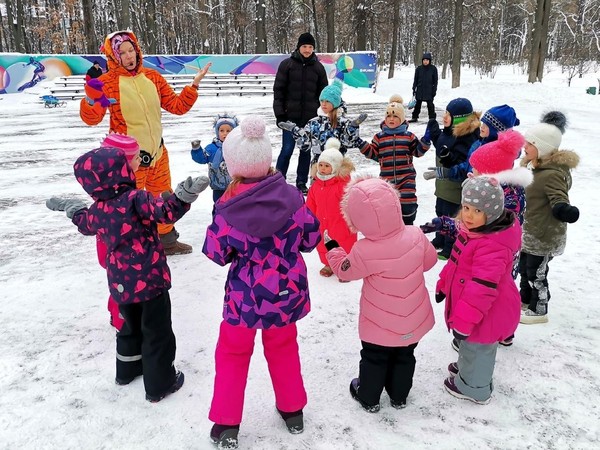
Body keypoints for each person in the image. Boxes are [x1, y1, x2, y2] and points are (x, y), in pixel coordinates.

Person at [46, 146, 210, 402]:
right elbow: (165, 212)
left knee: (129, 328)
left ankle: (127, 371)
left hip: (121, 283)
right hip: (150, 281)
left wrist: (73, 209)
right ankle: (160, 385)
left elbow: (85, 223)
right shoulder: (136, 198)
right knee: (157, 333)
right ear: (119, 172)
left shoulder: (98, 209)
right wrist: (183, 196)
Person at [202, 116, 321, 449]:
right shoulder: (294, 200)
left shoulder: (226, 211)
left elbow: (216, 252)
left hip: (244, 301)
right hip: (285, 295)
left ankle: (226, 424)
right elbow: (311, 239)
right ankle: (293, 410)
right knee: (284, 349)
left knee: (232, 354)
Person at [80, 30, 211, 255]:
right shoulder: (107, 83)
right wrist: (91, 98)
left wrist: (194, 85)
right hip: (128, 161)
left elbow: (177, 106)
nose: (129, 56)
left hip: (157, 154)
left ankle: (167, 241)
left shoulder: (153, 77)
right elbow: (91, 119)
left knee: (163, 196)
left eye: (131, 50)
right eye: (122, 52)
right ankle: (136, 248)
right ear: (113, 56)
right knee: (130, 207)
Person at [324, 177, 437, 412]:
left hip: (379, 324)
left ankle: (369, 397)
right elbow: (430, 261)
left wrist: (333, 249)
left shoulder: (365, 250)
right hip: (413, 318)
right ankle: (399, 396)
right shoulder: (415, 235)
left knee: (374, 358)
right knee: (405, 356)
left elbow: (346, 271)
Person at [421, 129, 532, 349]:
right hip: (496, 256)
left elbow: (479, 234)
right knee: (495, 294)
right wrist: (447, 224)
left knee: (488, 295)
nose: (470, 172)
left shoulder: (501, 200)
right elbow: (472, 229)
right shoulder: (494, 194)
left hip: (492, 257)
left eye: (476, 169)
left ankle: (482, 337)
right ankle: (500, 331)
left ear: (491, 175)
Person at [435, 176, 521, 405]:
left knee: (479, 347)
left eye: (477, 210)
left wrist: (463, 322)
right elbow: (456, 263)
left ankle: (475, 387)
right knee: (469, 343)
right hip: (474, 307)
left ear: (491, 214)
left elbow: (481, 289)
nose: (468, 215)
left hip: (488, 310)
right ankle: (466, 370)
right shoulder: (474, 231)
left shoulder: (492, 245)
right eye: (465, 208)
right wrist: (444, 283)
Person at [519, 111, 580, 325]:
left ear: (543, 148)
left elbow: (558, 196)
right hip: (530, 229)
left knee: (536, 272)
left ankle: (539, 308)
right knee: (524, 267)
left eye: (529, 144)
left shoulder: (552, 173)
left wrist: (564, 209)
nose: (524, 147)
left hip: (543, 233)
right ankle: (525, 301)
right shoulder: (535, 168)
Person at [350, 94, 430, 225]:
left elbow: (418, 152)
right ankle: (390, 229)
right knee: (387, 206)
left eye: (395, 116)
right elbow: (372, 153)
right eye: (388, 116)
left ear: (402, 119)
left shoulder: (408, 136)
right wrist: (359, 142)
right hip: (387, 179)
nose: (391, 119)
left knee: (407, 204)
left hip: (406, 177)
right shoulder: (379, 137)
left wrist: (426, 141)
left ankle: (408, 224)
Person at [279, 80, 366, 185]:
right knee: (318, 196)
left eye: (328, 101)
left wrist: (353, 127)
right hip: (319, 167)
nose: (323, 104)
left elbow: (348, 143)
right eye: (322, 100)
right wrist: (295, 130)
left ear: (335, 103)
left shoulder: (343, 123)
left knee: (336, 196)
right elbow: (305, 146)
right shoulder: (313, 122)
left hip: (337, 167)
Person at [98, 133, 144, 331]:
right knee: (123, 285)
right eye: (136, 157)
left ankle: (117, 313)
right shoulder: (118, 194)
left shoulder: (108, 187)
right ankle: (121, 323)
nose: (141, 160)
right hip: (117, 247)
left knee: (119, 283)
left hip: (116, 245)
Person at [273, 32, 329, 194]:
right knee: (287, 149)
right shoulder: (287, 65)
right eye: (304, 46)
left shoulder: (318, 68)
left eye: (310, 47)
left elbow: (323, 94)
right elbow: (279, 92)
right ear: (299, 47)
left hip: (310, 119)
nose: (307, 50)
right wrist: (280, 115)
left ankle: (301, 182)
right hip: (289, 118)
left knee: (305, 151)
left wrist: (322, 114)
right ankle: (278, 181)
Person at [426, 98, 480, 259]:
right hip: (443, 186)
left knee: (452, 217)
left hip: (455, 188)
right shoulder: (450, 132)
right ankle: (440, 239)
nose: (445, 117)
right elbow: (443, 145)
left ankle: (451, 246)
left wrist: (449, 158)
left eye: (449, 115)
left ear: (460, 118)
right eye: (445, 113)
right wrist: (435, 133)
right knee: (440, 211)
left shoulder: (468, 137)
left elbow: (462, 163)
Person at [423, 104, 520, 183]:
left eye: (486, 126)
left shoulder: (500, 153)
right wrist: (447, 172)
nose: (481, 127)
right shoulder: (478, 144)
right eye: (483, 123)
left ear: (496, 130)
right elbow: (467, 167)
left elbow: (494, 180)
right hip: (472, 193)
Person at [305, 138, 356, 279]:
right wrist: (310, 219)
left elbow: (351, 203)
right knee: (323, 244)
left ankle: (345, 267)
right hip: (322, 222)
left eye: (327, 166)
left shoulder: (343, 185)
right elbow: (310, 204)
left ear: (336, 167)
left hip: (340, 222)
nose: (322, 168)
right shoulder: (316, 186)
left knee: (344, 242)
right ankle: (329, 264)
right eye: (320, 165)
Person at [190, 113, 238, 204]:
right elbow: (202, 159)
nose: (225, 133)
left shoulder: (237, 147)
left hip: (235, 185)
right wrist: (197, 150)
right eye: (222, 130)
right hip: (218, 186)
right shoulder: (212, 148)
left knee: (234, 205)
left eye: (228, 131)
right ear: (217, 132)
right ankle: (217, 217)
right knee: (218, 205)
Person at [409, 52, 438, 123]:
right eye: (424, 60)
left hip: (429, 90)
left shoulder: (433, 69)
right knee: (417, 105)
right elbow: (415, 80)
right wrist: (414, 88)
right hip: (420, 90)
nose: (425, 61)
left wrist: (434, 90)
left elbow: (435, 81)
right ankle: (414, 117)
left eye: (427, 60)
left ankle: (432, 118)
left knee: (430, 105)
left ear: (429, 61)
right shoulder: (419, 69)